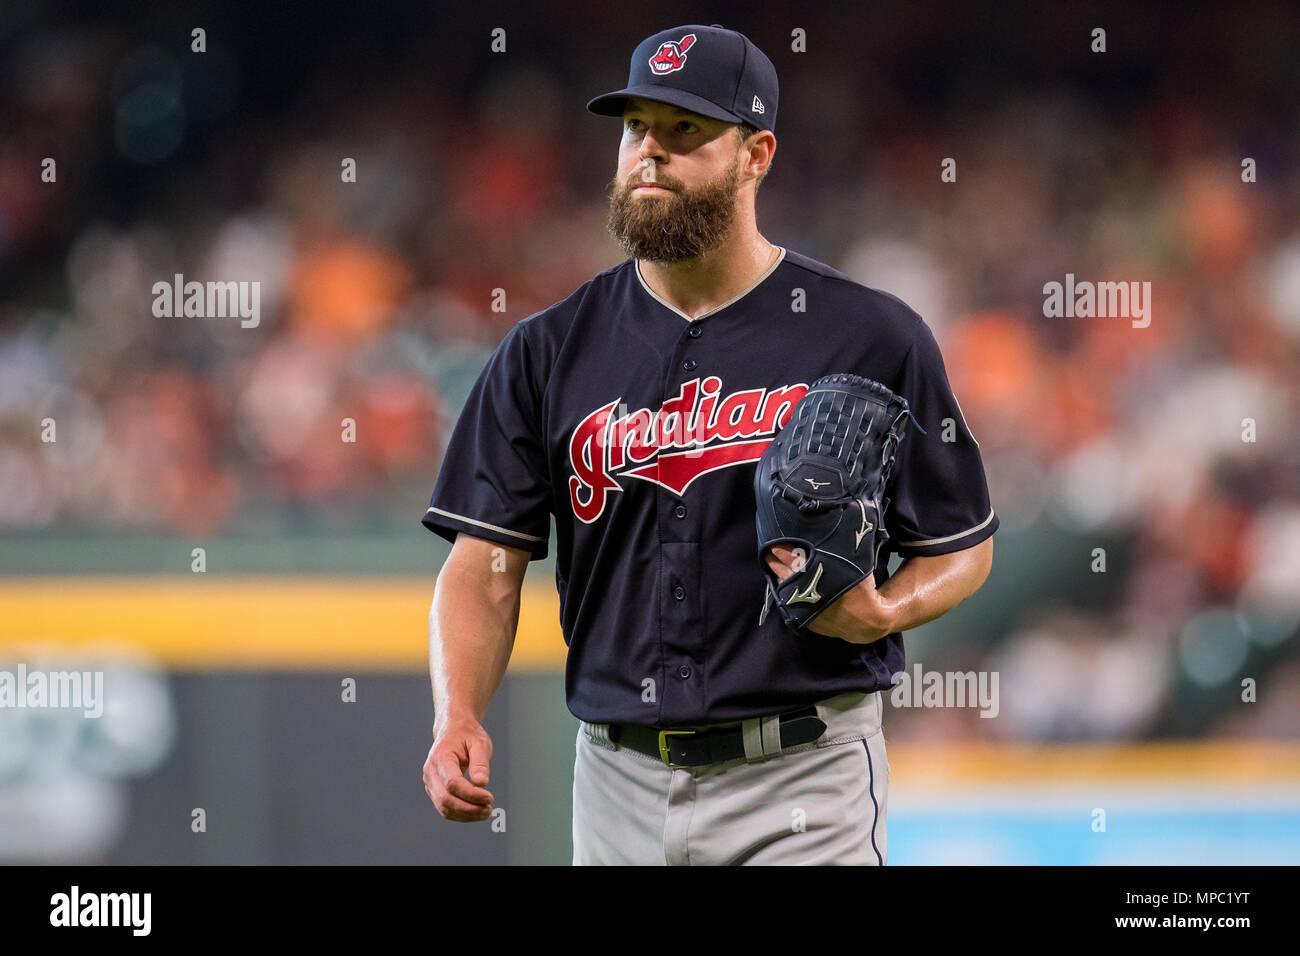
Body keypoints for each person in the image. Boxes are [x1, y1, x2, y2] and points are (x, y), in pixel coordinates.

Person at [420, 23, 997, 865]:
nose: (649, 152)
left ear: (757, 153)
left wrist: (888, 607)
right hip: (616, 782)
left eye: (684, 129)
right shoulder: (548, 350)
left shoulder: (869, 335)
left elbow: (962, 546)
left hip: (802, 776)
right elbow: (483, 566)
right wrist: (457, 713)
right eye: (634, 127)